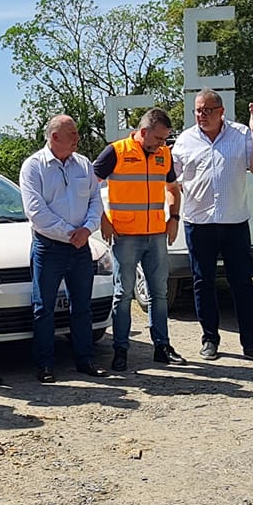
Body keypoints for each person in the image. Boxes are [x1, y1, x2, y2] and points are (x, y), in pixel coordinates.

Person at [173, 89, 253, 362]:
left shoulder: (241, 134)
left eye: (207, 110)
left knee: (242, 283)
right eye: (198, 110)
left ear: (221, 111)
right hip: (199, 222)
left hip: (234, 222)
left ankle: (252, 344)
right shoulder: (184, 140)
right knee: (203, 283)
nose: (201, 115)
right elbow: (169, 177)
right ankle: (210, 339)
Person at [93, 107, 184, 369]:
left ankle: (162, 346)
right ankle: (121, 349)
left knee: (159, 293)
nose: (162, 145)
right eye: (158, 139)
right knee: (123, 295)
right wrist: (103, 221)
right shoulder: (116, 151)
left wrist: (173, 218)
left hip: (156, 234)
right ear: (143, 132)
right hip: (126, 236)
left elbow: (173, 189)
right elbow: (87, 187)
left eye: (165, 139)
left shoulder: (163, 154)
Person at [21, 115, 106, 383]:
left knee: (82, 307)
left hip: (80, 247)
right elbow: (36, 212)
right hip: (49, 248)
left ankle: (85, 360)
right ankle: (45, 365)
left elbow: (96, 200)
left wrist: (87, 229)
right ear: (55, 137)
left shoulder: (84, 165)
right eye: (72, 133)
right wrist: (71, 234)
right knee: (43, 308)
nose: (78, 137)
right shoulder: (33, 167)